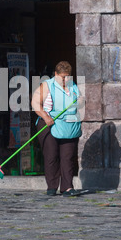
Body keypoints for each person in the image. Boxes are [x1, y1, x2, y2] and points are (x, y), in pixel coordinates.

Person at [31, 61, 83, 197]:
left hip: (68, 125)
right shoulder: (47, 85)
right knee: (51, 155)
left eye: (67, 77)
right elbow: (35, 103)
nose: (65, 80)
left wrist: (81, 101)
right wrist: (45, 117)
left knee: (68, 156)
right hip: (49, 123)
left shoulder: (73, 86)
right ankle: (52, 186)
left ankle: (67, 187)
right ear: (56, 74)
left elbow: (79, 101)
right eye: (62, 77)